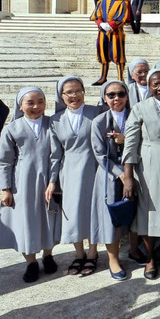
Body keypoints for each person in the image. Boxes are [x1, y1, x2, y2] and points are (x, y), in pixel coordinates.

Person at [122, 69, 160, 280]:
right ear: (149, 87)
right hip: (149, 166)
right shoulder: (140, 108)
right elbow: (130, 144)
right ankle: (150, 259)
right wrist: (128, 176)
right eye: (154, 84)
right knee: (148, 212)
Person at [0, 87, 59, 283]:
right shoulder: (12, 129)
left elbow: (56, 155)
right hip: (22, 182)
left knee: (49, 218)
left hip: (50, 179)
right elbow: (5, 161)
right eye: (30, 102)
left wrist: (54, 180)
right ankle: (31, 262)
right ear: (20, 105)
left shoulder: (52, 124)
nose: (36, 106)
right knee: (27, 221)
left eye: (40, 101)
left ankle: (48, 254)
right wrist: (5, 189)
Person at [49, 76, 101, 276]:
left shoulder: (95, 112)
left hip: (92, 167)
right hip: (68, 170)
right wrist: (53, 181)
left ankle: (93, 253)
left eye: (78, 90)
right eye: (69, 92)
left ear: (84, 92)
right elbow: (55, 154)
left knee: (91, 211)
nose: (74, 95)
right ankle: (79, 254)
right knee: (73, 214)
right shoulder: (56, 120)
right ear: (61, 96)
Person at [90, 80, 140, 280]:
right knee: (112, 216)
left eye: (120, 94)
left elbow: (142, 141)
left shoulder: (135, 116)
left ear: (127, 96)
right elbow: (100, 154)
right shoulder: (99, 122)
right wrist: (121, 174)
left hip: (135, 170)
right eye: (111, 95)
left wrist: (124, 140)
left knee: (137, 212)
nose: (116, 98)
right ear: (105, 98)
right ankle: (113, 258)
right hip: (110, 174)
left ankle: (135, 250)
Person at [90, 0, 132, 85]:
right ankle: (103, 77)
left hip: (116, 32)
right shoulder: (101, 2)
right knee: (103, 55)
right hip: (102, 32)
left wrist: (111, 25)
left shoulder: (124, 2)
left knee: (118, 55)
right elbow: (96, 16)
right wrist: (101, 24)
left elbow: (123, 17)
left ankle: (120, 78)